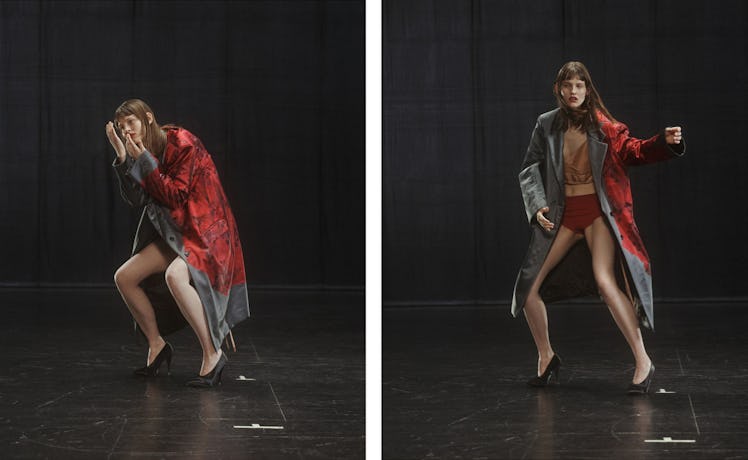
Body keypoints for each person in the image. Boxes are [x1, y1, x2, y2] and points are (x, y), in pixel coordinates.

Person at [511, 62, 684, 394]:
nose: (573, 91)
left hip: (596, 215)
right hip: (563, 215)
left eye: (580, 85)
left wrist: (663, 142)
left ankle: (643, 361)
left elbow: (636, 151)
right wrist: (536, 205)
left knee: (606, 282)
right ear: (559, 89)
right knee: (529, 287)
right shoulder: (546, 125)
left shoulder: (606, 127)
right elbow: (530, 165)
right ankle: (546, 357)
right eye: (568, 85)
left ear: (587, 90)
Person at [106, 99, 250, 388]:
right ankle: (157, 345)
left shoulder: (182, 143)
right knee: (125, 277)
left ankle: (213, 355)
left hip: (205, 234)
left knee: (174, 275)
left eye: (130, 123)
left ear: (148, 119)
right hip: (175, 234)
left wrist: (143, 159)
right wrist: (123, 158)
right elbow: (136, 199)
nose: (127, 132)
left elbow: (175, 196)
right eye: (121, 129)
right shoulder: (138, 151)